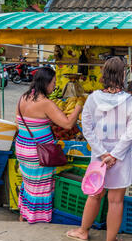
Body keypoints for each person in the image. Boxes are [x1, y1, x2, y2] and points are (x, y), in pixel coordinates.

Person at [66, 57, 132, 241]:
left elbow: (87, 128)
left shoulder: (92, 99)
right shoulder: (131, 102)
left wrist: (102, 153)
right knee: (115, 201)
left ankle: (83, 231)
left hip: (99, 157)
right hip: (120, 158)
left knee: (95, 194)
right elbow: (130, 133)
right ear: (123, 75)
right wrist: (114, 155)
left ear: (104, 75)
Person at [15, 67, 82, 224]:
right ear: (45, 83)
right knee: (40, 186)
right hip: (38, 153)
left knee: (28, 183)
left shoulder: (23, 98)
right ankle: (37, 219)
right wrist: (78, 107)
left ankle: (23, 215)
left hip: (23, 148)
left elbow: (19, 124)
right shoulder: (45, 103)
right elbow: (67, 124)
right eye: (53, 82)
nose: (55, 85)